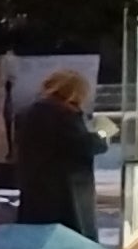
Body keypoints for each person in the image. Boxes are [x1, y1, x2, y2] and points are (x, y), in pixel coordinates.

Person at [12, 69, 101, 238]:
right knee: (68, 239)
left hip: (37, 190)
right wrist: (101, 136)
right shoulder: (63, 115)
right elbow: (82, 145)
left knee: (38, 239)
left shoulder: (32, 112)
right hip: (64, 193)